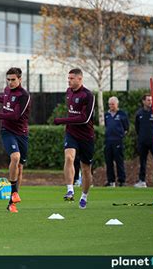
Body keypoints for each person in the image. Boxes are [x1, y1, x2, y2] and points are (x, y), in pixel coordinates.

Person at [0, 67, 31, 213]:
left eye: (13, 80)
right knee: (15, 157)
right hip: (7, 131)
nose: (10, 82)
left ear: (20, 79)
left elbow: (15, 116)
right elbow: (5, 98)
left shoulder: (24, 95)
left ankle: (11, 203)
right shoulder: (7, 90)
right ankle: (14, 192)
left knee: (20, 167)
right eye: (8, 80)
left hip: (21, 134)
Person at [53, 68, 95, 209]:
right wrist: (67, 122)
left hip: (86, 136)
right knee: (69, 157)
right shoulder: (68, 92)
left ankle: (84, 196)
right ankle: (70, 189)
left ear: (79, 79)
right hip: (71, 133)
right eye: (68, 78)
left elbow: (85, 118)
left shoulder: (88, 95)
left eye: (71, 78)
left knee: (86, 169)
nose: (69, 80)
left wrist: (63, 120)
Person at [104, 96, 129, 187]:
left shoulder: (122, 114)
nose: (111, 106)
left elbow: (126, 128)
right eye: (109, 104)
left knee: (119, 161)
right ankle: (111, 181)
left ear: (117, 104)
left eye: (113, 104)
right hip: (108, 141)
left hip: (118, 141)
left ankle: (121, 180)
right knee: (109, 161)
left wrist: (120, 136)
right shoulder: (106, 115)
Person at [134, 94, 153, 188]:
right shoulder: (139, 113)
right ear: (143, 101)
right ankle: (142, 181)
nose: (150, 102)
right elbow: (137, 127)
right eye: (148, 100)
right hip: (142, 141)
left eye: (151, 100)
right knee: (142, 162)